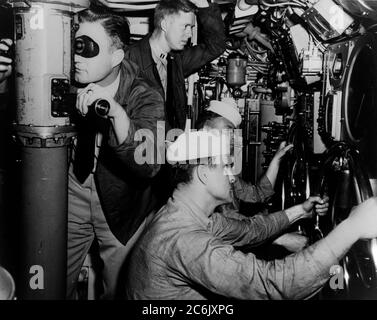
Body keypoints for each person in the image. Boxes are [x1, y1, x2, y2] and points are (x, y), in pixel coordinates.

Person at [125, 129, 377, 300]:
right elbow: (275, 283)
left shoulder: (186, 214)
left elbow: (251, 230)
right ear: (203, 173)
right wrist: (353, 227)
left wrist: (300, 211)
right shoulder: (185, 240)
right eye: (225, 166)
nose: (232, 175)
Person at [67, 7, 164, 299]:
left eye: (88, 48)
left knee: (120, 290)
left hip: (124, 205)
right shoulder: (66, 76)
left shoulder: (145, 94)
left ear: (116, 57)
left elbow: (149, 165)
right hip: (75, 188)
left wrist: (117, 114)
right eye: (75, 45)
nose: (76, 56)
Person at [197, 99, 310, 253]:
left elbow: (256, 194)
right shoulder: (198, 168)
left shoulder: (222, 165)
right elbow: (222, 225)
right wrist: (280, 238)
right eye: (227, 129)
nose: (231, 138)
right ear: (206, 127)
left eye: (233, 132)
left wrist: (276, 160)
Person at [125, 0, 226, 130]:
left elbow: (215, 46)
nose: (189, 34)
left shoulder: (176, 59)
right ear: (165, 25)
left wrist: (204, 6)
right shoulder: (128, 59)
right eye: (185, 26)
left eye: (191, 28)